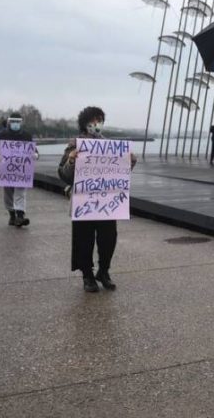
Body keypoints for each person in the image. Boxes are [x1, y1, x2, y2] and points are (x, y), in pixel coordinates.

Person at [58, 106, 136, 293]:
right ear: (84, 123)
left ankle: (104, 270)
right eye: (93, 120)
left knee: (108, 238)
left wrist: (130, 161)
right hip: (83, 202)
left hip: (107, 203)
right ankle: (87, 275)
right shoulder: (75, 145)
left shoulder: (109, 146)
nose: (96, 124)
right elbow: (63, 174)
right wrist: (71, 161)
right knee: (84, 239)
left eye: (99, 120)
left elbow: (118, 174)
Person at [0, 113, 38, 227]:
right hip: (6, 169)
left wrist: (36, 154)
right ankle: (12, 215)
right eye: (13, 122)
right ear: (9, 122)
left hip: (22, 170)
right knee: (8, 193)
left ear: (21, 123)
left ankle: (20, 216)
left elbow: (33, 149)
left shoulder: (26, 135)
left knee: (20, 192)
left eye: (18, 122)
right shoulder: (1, 135)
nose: (15, 124)